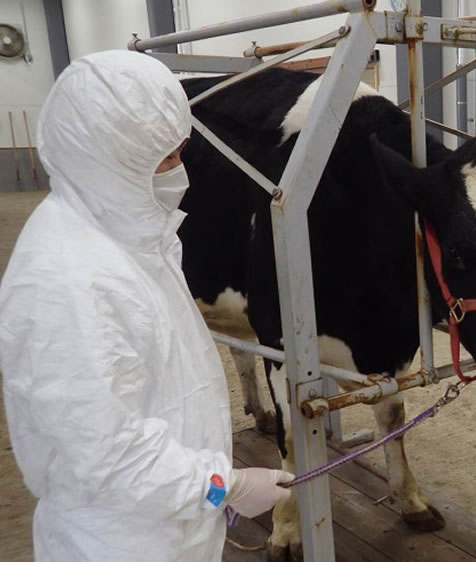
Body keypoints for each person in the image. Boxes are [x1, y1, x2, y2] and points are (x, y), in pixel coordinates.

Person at [0, 50, 293, 561]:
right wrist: (225, 486)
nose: (180, 172)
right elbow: (104, 458)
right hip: (121, 543)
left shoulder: (133, 238)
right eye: (164, 158)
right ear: (102, 157)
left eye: (181, 152)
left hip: (169, 527)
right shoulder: (66, 281)